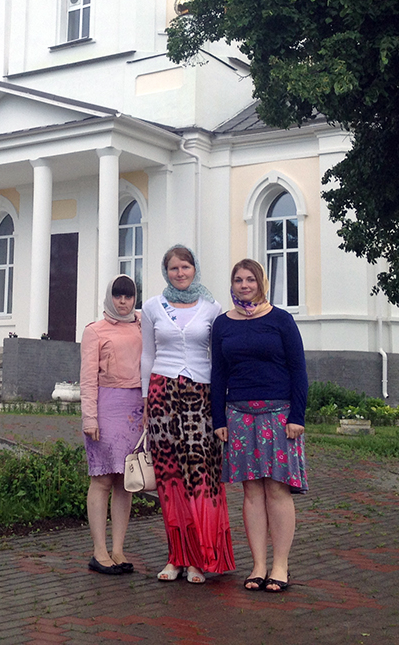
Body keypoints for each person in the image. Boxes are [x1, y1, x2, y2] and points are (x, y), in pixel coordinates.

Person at [210, 258, 308, 594]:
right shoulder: (223, 324)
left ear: (261, 282)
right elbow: (218, 375)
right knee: (251, 492)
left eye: (250, 279)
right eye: (238, 280)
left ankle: (280, 565)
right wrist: (218, 420)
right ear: (232, 284)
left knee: (277, 489)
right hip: (238, 415)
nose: (244, 285)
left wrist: (298, 416)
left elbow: (299, 371)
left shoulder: (280, 320)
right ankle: (258, 566)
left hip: (279, 415)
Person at [140, 245, 235, 583]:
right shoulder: (152, 307)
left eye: (185, 267)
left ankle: (200, 558)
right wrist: (145, 403)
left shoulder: (213, 308)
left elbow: (219, 359)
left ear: (195, 269)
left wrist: (221, 404)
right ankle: (176, 557)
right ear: (165, 272)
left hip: (201, 396)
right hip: (162, 394)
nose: (180, 273)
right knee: (170, 480)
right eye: (174, 268)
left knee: (202, 477)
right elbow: (147, 357)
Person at [80, 274, 143, 575]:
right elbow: (87, 379)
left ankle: (118, 549)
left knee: (125, 481)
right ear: (109, 297)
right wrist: (89, 417)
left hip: (137, 410)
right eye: (117, 295)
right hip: (106, 409)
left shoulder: (143, 325)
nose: (122, 301)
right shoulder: (95, 331)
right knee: (102, 479)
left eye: (128, 296)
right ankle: (99, 550)